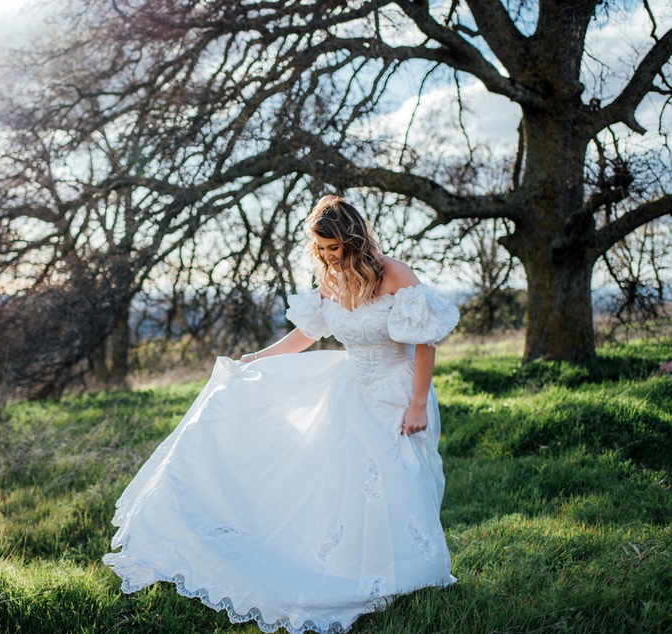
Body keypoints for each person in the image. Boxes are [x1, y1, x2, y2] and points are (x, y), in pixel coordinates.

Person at [102, 195, 459, 634]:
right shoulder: (329, 279)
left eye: (336, 248)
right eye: (322, 250)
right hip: (350, 390)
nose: (329, 257)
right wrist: (258, 358)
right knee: (353, 483)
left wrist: (418, 403)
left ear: (355, 239)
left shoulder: (394, 274)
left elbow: (425, 341)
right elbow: (306, 334)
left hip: (399, 388)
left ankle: (413, 573)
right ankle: (361, 569)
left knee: (399, 476)